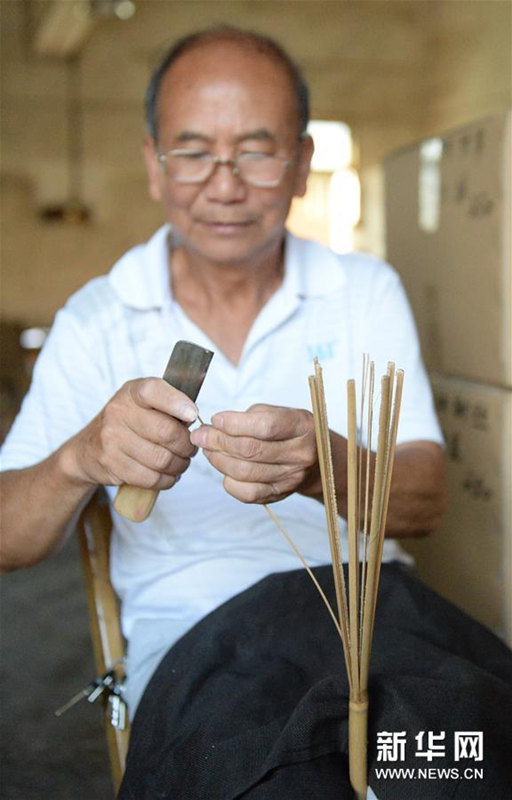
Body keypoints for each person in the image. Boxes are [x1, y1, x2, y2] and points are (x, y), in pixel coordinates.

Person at [6, 26, 508, 800]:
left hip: (375, 616)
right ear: (153, 163)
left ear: (302, 164)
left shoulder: (362, 291)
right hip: (204, 646)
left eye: (257, 151)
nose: (225, 185)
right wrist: (82, 456)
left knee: (463, 762)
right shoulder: (98, 319)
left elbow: (427, 502)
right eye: (193, 151)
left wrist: (323, 466)